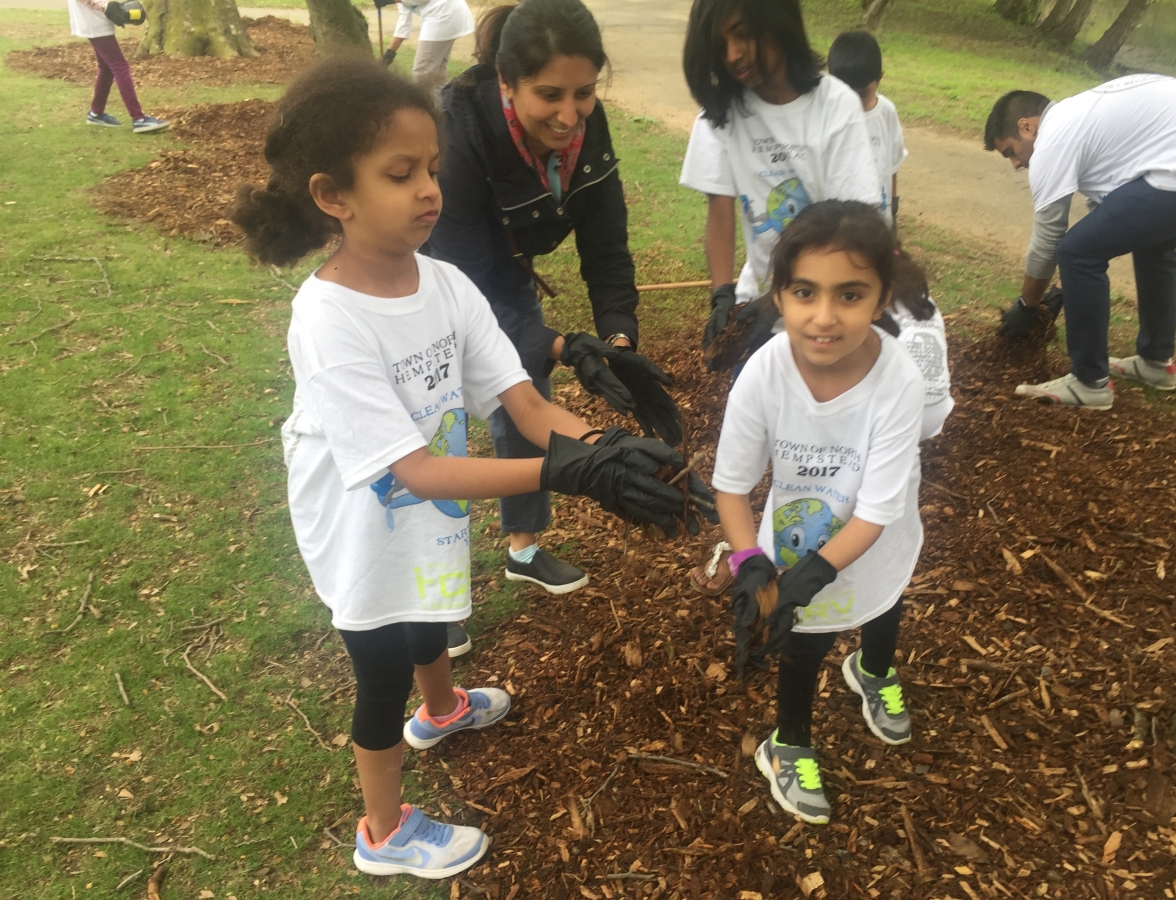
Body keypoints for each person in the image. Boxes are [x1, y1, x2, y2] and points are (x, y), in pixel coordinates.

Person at [230, 59, 710, 880]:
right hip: (363, 519)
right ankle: (382, 832)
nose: (428, 190)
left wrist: (604, 450)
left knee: (433, 612)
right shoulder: (327, 317)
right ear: (332, 195)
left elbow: (523, 403)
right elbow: (412, 470)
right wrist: (561, 474)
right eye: (399, 174)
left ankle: (444, 707)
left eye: (432, 170)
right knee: (383, 664)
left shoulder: (447, 285)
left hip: (428, 496)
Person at [427, 0, 683, 605]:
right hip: (434, 275)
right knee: (439, 427)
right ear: (506, 83)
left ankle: (522, 549)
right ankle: (434, 594)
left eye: (585, 92)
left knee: (525, 391)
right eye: (550, 95)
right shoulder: (455, 130)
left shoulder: (587, 130)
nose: (571, 115)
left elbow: (607, 249)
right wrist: (559, 345)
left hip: (507, 270)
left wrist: (617, 344)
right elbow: (466, 284)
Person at [712, 200, 926, 824]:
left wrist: (809, 575)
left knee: (885, 603)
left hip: (875, 538)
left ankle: (874, 669)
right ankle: (789, 743)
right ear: (778, 294)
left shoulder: (899, 381)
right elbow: (732, 487)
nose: (824, 317)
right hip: (795, 537)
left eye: (850, 294)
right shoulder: (764, 372)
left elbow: (876, 511)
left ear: (882, 298)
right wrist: (752, 561)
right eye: (805, 292)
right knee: (802, 644)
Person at [679, 0, 881, 592]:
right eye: (720, 44)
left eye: (743, 36)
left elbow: (851, 224)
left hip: (828, 301)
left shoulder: (833, 107)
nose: (734, 56)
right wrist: (724, 296)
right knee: (757, 429)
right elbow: (720, 210)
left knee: (823, 431)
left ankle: (839, 541)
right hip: (762, 302)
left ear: (778, 22)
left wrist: (786, 298)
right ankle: (751, 543)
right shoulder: (723, 114)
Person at [985, 75, 1176, 410]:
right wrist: (1066, 287)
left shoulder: (1053, 139)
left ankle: (1089, 383)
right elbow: (1112, 217)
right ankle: (1154, 363)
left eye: (1010, 151)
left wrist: (1027, 306)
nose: (1016, 163)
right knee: (1153, 244)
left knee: (1076, 250)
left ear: (1027, 127)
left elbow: (1050, 238)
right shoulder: (1082, 117)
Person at [828, 30, 905, 230]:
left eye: (862, 93)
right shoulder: (827, 116)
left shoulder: (886, 113)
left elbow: (893, 165)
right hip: (839, 225)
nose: (854, 102)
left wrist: (893, 209)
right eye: (846, 92)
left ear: (879, 78)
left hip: (878, 224)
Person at [68, 0, 168, 133]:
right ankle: (138, 119)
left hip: (97, 19)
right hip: (94, 21)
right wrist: (106, 7)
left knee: (106, 68)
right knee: (120, 66)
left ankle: (96, 113)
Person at [379, 0, 475, 107]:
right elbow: (403, 23)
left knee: (422, 74)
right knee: (437, 75)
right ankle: (443, 111)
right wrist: (389, 54)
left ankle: (425, 112)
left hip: (444, 15)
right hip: (442, 17)